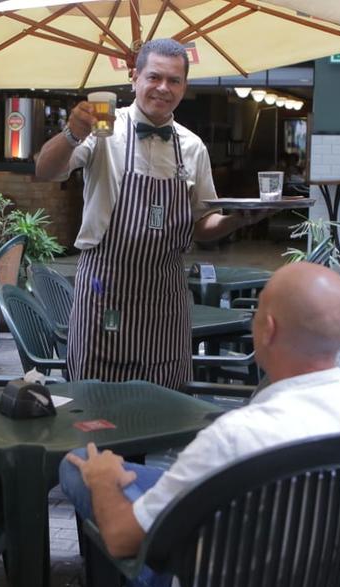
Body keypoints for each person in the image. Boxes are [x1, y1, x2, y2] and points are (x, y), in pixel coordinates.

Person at [59, 262, 340, 587]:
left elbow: (120, 537)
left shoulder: (236, 436)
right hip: (321, 581)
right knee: (145, 480)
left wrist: (103, 479)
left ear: (267, 329)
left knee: (79, 464)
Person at [34, 38, 266, 390]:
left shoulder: (192, 146)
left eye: (174, 80)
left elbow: (202, 224)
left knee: (163, 407)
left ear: (184, 87)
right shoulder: (102, 131)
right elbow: (46, 171)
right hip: (103, 290)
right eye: (154, 77)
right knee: (96, 404)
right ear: (134, 77)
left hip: (165, 298)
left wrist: (239, 218)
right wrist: (71, 133)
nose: (163, 88)